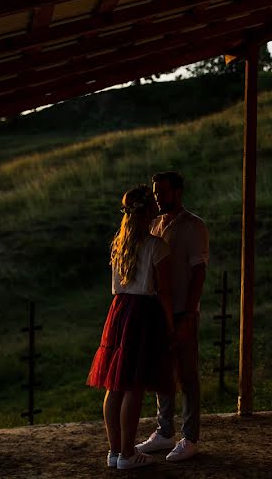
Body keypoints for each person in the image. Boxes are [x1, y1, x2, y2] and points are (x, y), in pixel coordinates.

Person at [87, 185, 174, 470]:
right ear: (149, 212)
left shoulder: (119, 243)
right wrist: (171, 322)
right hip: (143, 313)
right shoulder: (156, 246)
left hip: (119, 311)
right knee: (134, 385)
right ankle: (127, 454)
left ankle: (115, 452)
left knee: (115, 385)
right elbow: (163, 291)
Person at [136, 171, 209, 462]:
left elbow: (199, 273)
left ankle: (190, 437)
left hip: (182, 309)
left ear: (178, 192)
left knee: (187, 374)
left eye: (162, 192)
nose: (157, 197)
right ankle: (164, 431)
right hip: (159, 309)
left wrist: (189, 314)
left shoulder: (194, 226)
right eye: (155, 193)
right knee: (162, 372)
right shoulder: (153, 224)